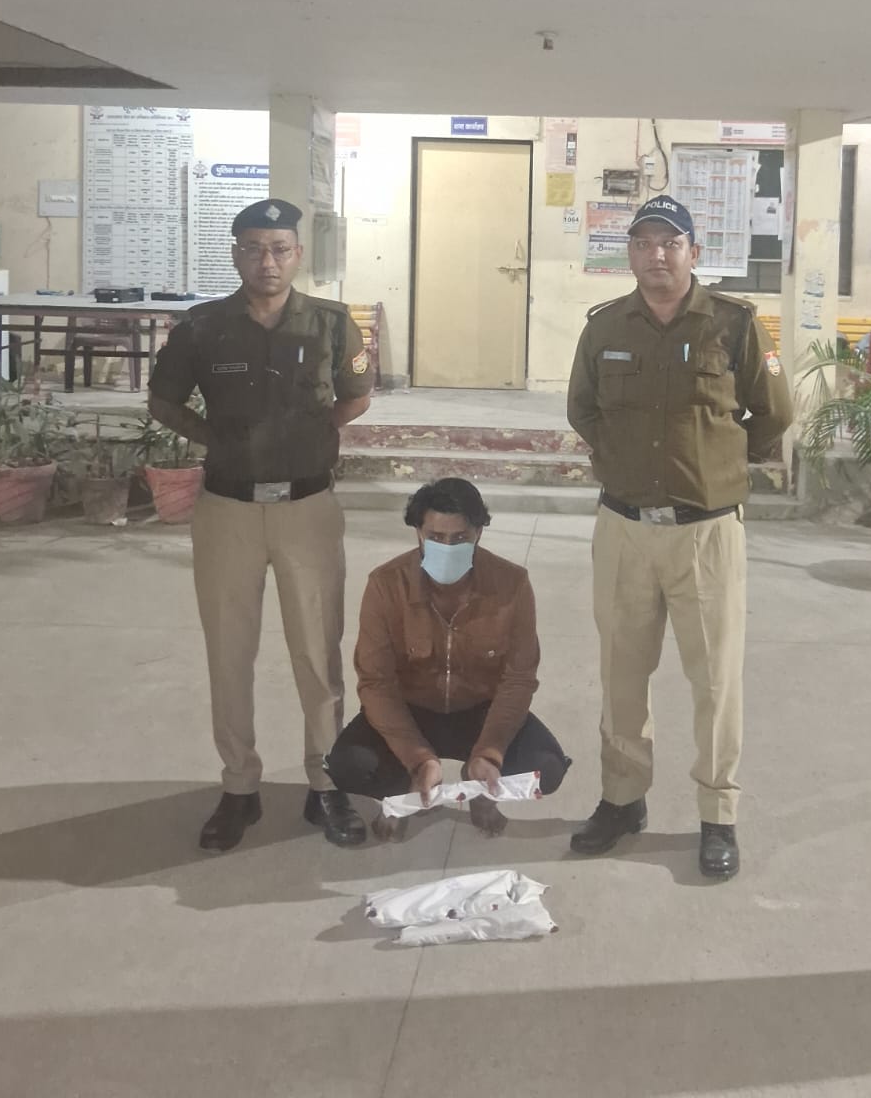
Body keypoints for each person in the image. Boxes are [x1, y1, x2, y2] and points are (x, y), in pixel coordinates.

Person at [566, 194, 794, 879]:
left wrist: (718, 465)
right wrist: (625, 462)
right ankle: (622, 799)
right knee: (621, 674)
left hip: (706, 533)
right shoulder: (605, 327)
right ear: (630, 253)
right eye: (643, 243)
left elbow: (773, 413)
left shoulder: (734, 324)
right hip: (624, 529)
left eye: (670, 243)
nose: (656, 255)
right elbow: (583, 410)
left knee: (715, 681)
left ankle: (718, 814)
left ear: (694, 252)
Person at [148, 197, 372, 853]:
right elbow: (163, 401)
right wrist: (217, 438)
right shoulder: (203, 327)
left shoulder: (333, 324)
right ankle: (239, 787)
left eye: (278, 249)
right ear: (235, 255)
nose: (266, 261)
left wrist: (311, 435)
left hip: (307, 509)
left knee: (318, 653)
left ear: (297, 255)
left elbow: (356, 396)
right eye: (252, 249)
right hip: (228, 511)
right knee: (229, 652)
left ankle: (325, 783)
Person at [325, 477, 570, 837]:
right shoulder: (386, 584)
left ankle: (480, 785)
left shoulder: (511, 584)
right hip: (412, 710)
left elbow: (518, 679)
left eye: (460, 538)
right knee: (350, 765)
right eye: (436, 537)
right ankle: (407, 792)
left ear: (479, 533)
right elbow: (376, 683)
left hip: (479, 711)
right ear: (418, 533)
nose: (448, 547)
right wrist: (417, 757)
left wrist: (489, 752)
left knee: (545, 768)